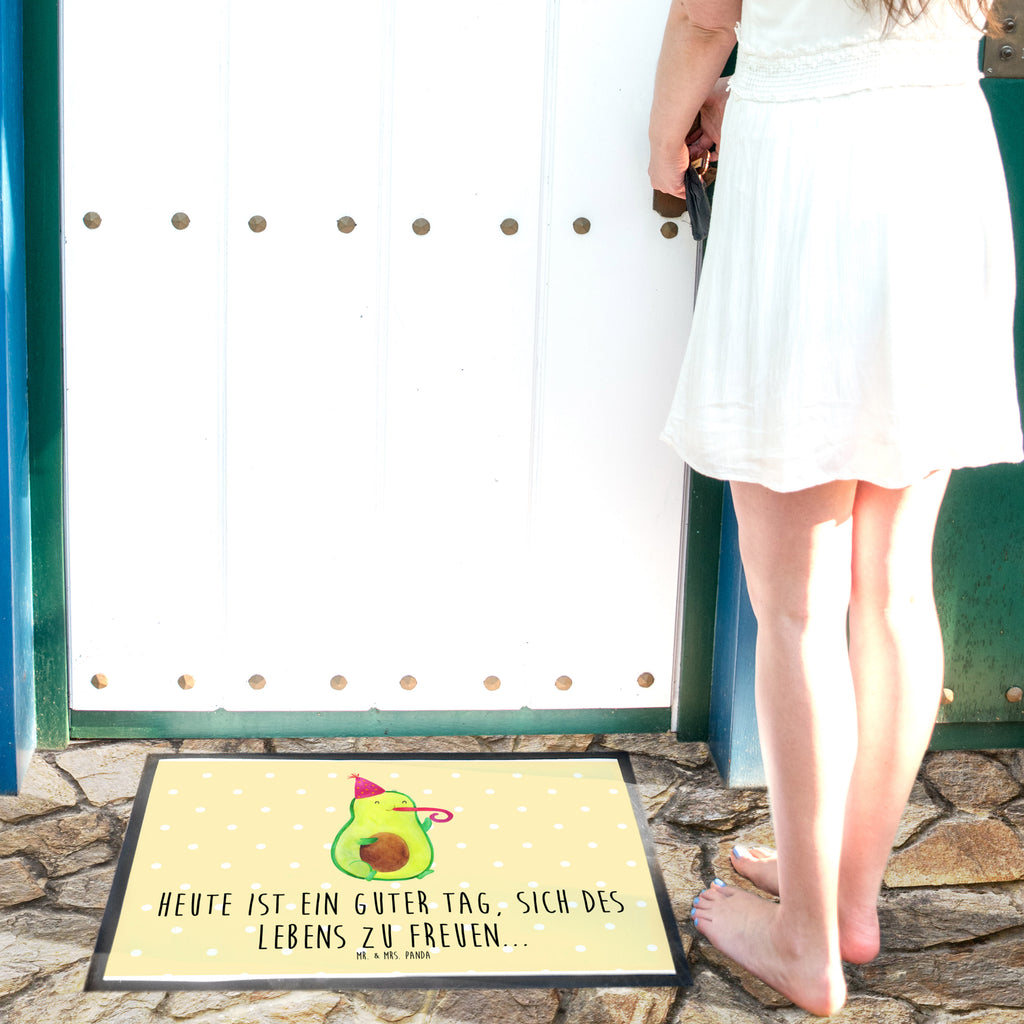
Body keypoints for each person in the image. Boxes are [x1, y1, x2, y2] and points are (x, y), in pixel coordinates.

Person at [648, 0, 1023, 1015]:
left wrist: (665, 140)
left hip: (811, 187)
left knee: (798, 607)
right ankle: (850, 899)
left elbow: (702, 20)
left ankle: (804, 941)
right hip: (939, 166)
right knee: (894, 589)